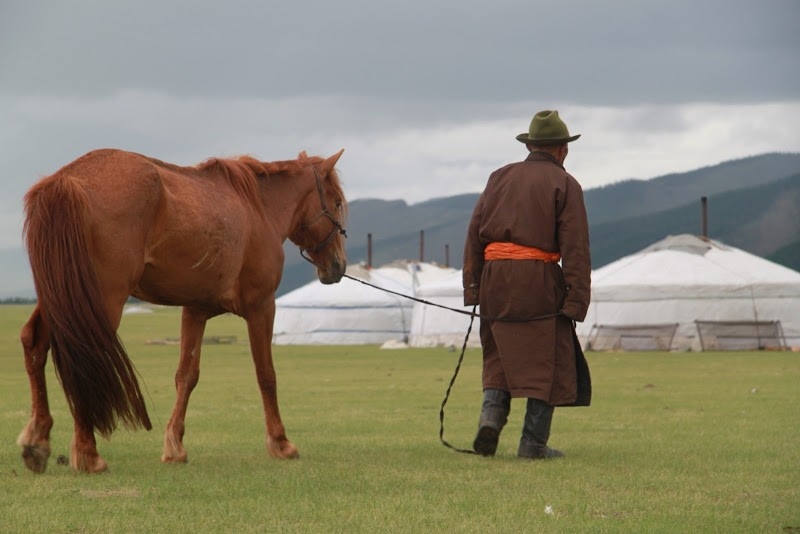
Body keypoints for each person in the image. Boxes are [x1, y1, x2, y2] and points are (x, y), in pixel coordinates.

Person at [462, 109, 592, 459]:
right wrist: (576, 301)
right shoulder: (566, 184)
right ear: (562, 149)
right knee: (548, 359)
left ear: (531, 145)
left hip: (493, 280)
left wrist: (473, 288)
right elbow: (575, 248)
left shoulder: (498, 177)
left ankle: (490, 420)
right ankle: (532, 444)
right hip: (537, 280)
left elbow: (474, 235)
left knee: (499, 353)